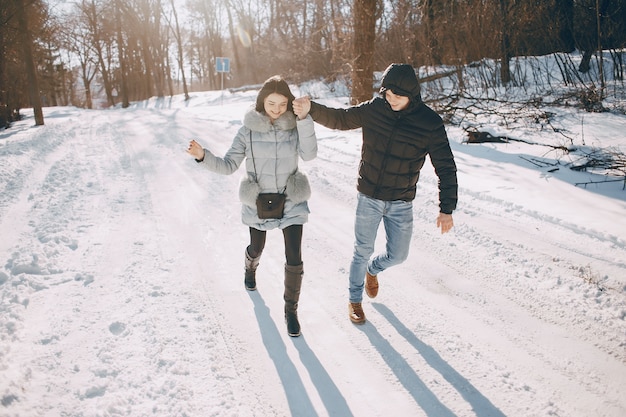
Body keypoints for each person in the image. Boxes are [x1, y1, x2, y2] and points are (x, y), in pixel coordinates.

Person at [293, 63, 457, 324]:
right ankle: (354, 301)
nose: (390, 99)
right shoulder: (375, 109)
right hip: (369, 195)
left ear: (411, 96)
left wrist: (446, 208)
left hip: (401, 201)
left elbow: (446, 167)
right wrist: (312, 109)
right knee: (362, 249)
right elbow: (342, 118)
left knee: (398, 255)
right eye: (387, 93)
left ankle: (374, 269)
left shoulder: (429, 124)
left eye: (396, 96)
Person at [187, 76, 317, 337]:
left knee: (295, 256)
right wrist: (203, 156)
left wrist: (304, 120)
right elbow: (228, 165)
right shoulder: (247, 130)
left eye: (282, 104)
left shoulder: (295, 126)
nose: (277, 109)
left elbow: (309, 154)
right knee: (257, 246)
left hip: (291, 199)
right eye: (271, 103)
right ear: (261, 102)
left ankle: (291, 311)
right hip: (259, 201)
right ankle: (250, 265)